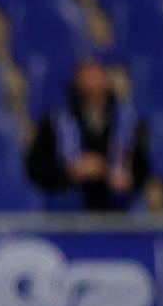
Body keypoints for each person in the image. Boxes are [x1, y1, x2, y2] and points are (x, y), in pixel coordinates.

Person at [26, 55, 152, 213]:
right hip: (68, 215)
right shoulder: (55, 122)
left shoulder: (131, 122)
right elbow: (35, 169)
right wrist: (70, 171)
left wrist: (120, 175)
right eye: (86, 72)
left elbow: (144, 169)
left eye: (96, 72)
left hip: (118, 214)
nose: (92, 81)